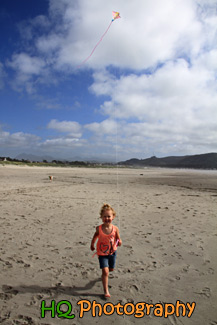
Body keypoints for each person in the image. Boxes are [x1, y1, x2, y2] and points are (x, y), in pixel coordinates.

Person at [90, 203, 122, 298]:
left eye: (109, 216)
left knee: (111, 269)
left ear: (113, 217)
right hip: (102, 253)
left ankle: (109, 270)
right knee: (105, 271)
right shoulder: (99, 229)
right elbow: (95, 236)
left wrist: (119, 242)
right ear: (101, 217)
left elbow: (118, 238)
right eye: (105, 216)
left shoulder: (115, 228)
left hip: (112, 252)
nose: (107, 218)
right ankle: (106, 291)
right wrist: (92, 244)